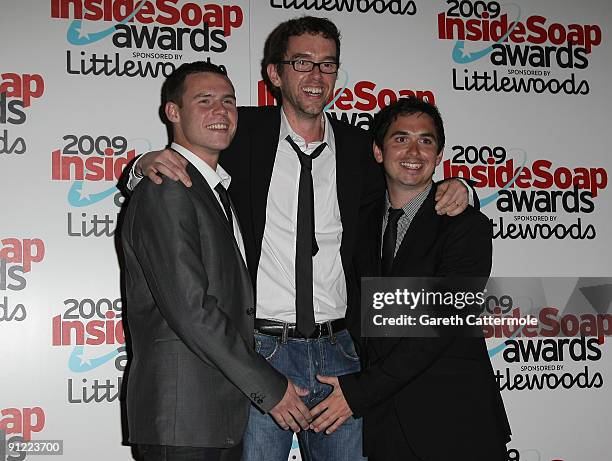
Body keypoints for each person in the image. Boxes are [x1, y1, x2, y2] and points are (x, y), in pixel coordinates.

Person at [127, 17, 473, 461]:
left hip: (340, 352)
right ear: (275, 73)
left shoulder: (359, 149)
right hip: (261, 353)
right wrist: (144, 165)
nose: (316, 76)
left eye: (327, 65)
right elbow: (190, 150)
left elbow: (412, 179)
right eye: (302, 63)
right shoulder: (239, 131)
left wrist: (463, 188)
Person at [120, 61, 313, 461]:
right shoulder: (167, 189)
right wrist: (271, 387)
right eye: (204, 101)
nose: (220, 111)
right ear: (173, 112)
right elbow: (191, 309)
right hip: (185, 417)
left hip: (216, 414)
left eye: (228, 101)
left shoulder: (215, 189)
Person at [309, 97, 512, 461]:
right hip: (385, 425)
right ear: (377, 151)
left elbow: (439, 325)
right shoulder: (359, 223)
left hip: (456, 422)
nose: (414, 151)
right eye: (401, 139)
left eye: (426, 141)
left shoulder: (466, 226)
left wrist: (359, 393)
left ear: (439, 155)